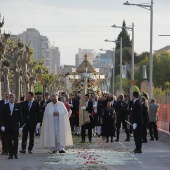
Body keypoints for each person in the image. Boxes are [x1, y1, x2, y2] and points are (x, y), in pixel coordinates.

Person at [0, 94, 23, 159]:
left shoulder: (18, 106)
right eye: (10, 97)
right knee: (8, 140)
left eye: (13, 97)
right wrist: (2, 125)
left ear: (15, 98)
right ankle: (10, 154)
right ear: (8, 98)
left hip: (15, 126)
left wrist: (21, 126)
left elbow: (20, 117)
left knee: (16, 139)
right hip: (7, 126)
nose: (11, 98)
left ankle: (15, 153)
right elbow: (2, 117)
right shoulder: (5, 106)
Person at [0, 90, 10, 155]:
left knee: (9, 137)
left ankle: (8, 150)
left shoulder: (12, 103)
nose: (7, 95)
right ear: (4, 95)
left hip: (10, 122)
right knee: (3, 137)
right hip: (2, 122)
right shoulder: (0, 103)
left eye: (8, 94)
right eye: (6, 94)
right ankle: (4, 150)